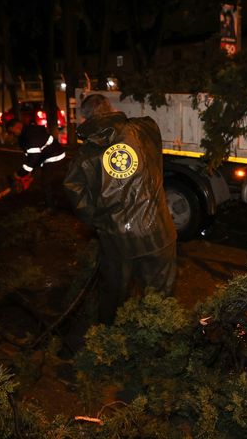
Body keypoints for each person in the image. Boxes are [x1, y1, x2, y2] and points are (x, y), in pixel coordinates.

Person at [63, 93, 177, 325]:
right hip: (158, 231)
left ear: (84, 118)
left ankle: (111, 338)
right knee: (160, 297)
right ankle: (156, 338)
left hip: (117, 238)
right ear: (111, 108)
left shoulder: (86, 154)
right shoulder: (144, 130)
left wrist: (100, 222)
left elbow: (75, 191)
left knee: (115, 296)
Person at [3, 113, 67, 210]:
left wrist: (20, 174)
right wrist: (28, 172)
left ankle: (51, 207)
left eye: (12, 132)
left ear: (18, 127)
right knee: (45, 179)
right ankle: (50, 200)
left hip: (55, 157)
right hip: (46, 155)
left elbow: (33, 159)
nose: (12, 135)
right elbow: (31, 157)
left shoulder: (31, 136)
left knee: (45, 181)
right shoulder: (24, 136)